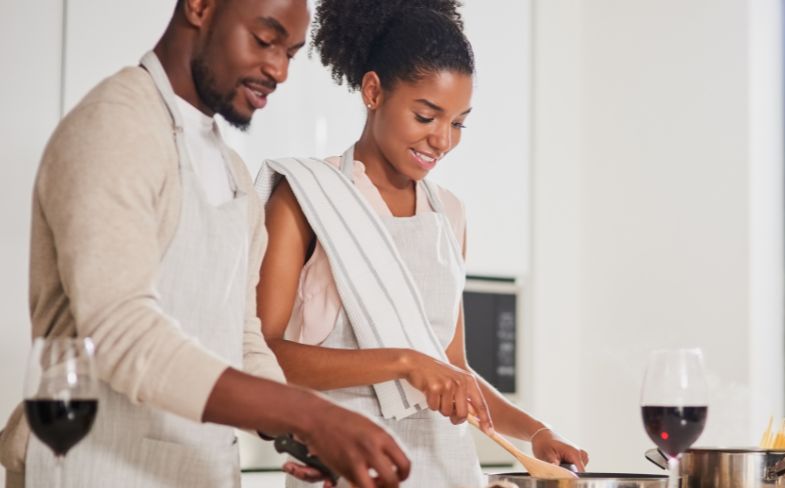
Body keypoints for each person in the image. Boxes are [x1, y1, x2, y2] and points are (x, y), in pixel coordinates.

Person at [0, 1, 410, 487]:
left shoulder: (232, 172)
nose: (278, 69)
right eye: (264, 39)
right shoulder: (117, 125)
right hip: (92, 468)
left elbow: (240, 336)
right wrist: (306, 413)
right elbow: (121, 335)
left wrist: (301, 436)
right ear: (199, 6)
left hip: (199, 472)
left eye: (291, 53)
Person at [256, 1, 589, 486]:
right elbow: (265, 356)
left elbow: (454, 371)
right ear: (374, 91)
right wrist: (405, 362)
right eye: (426, 115)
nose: (442, 140)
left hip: (443, 468)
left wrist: (535, 432)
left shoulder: (448, 214)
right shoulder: (307, 197)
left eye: (458, 123)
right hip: (344, 464)